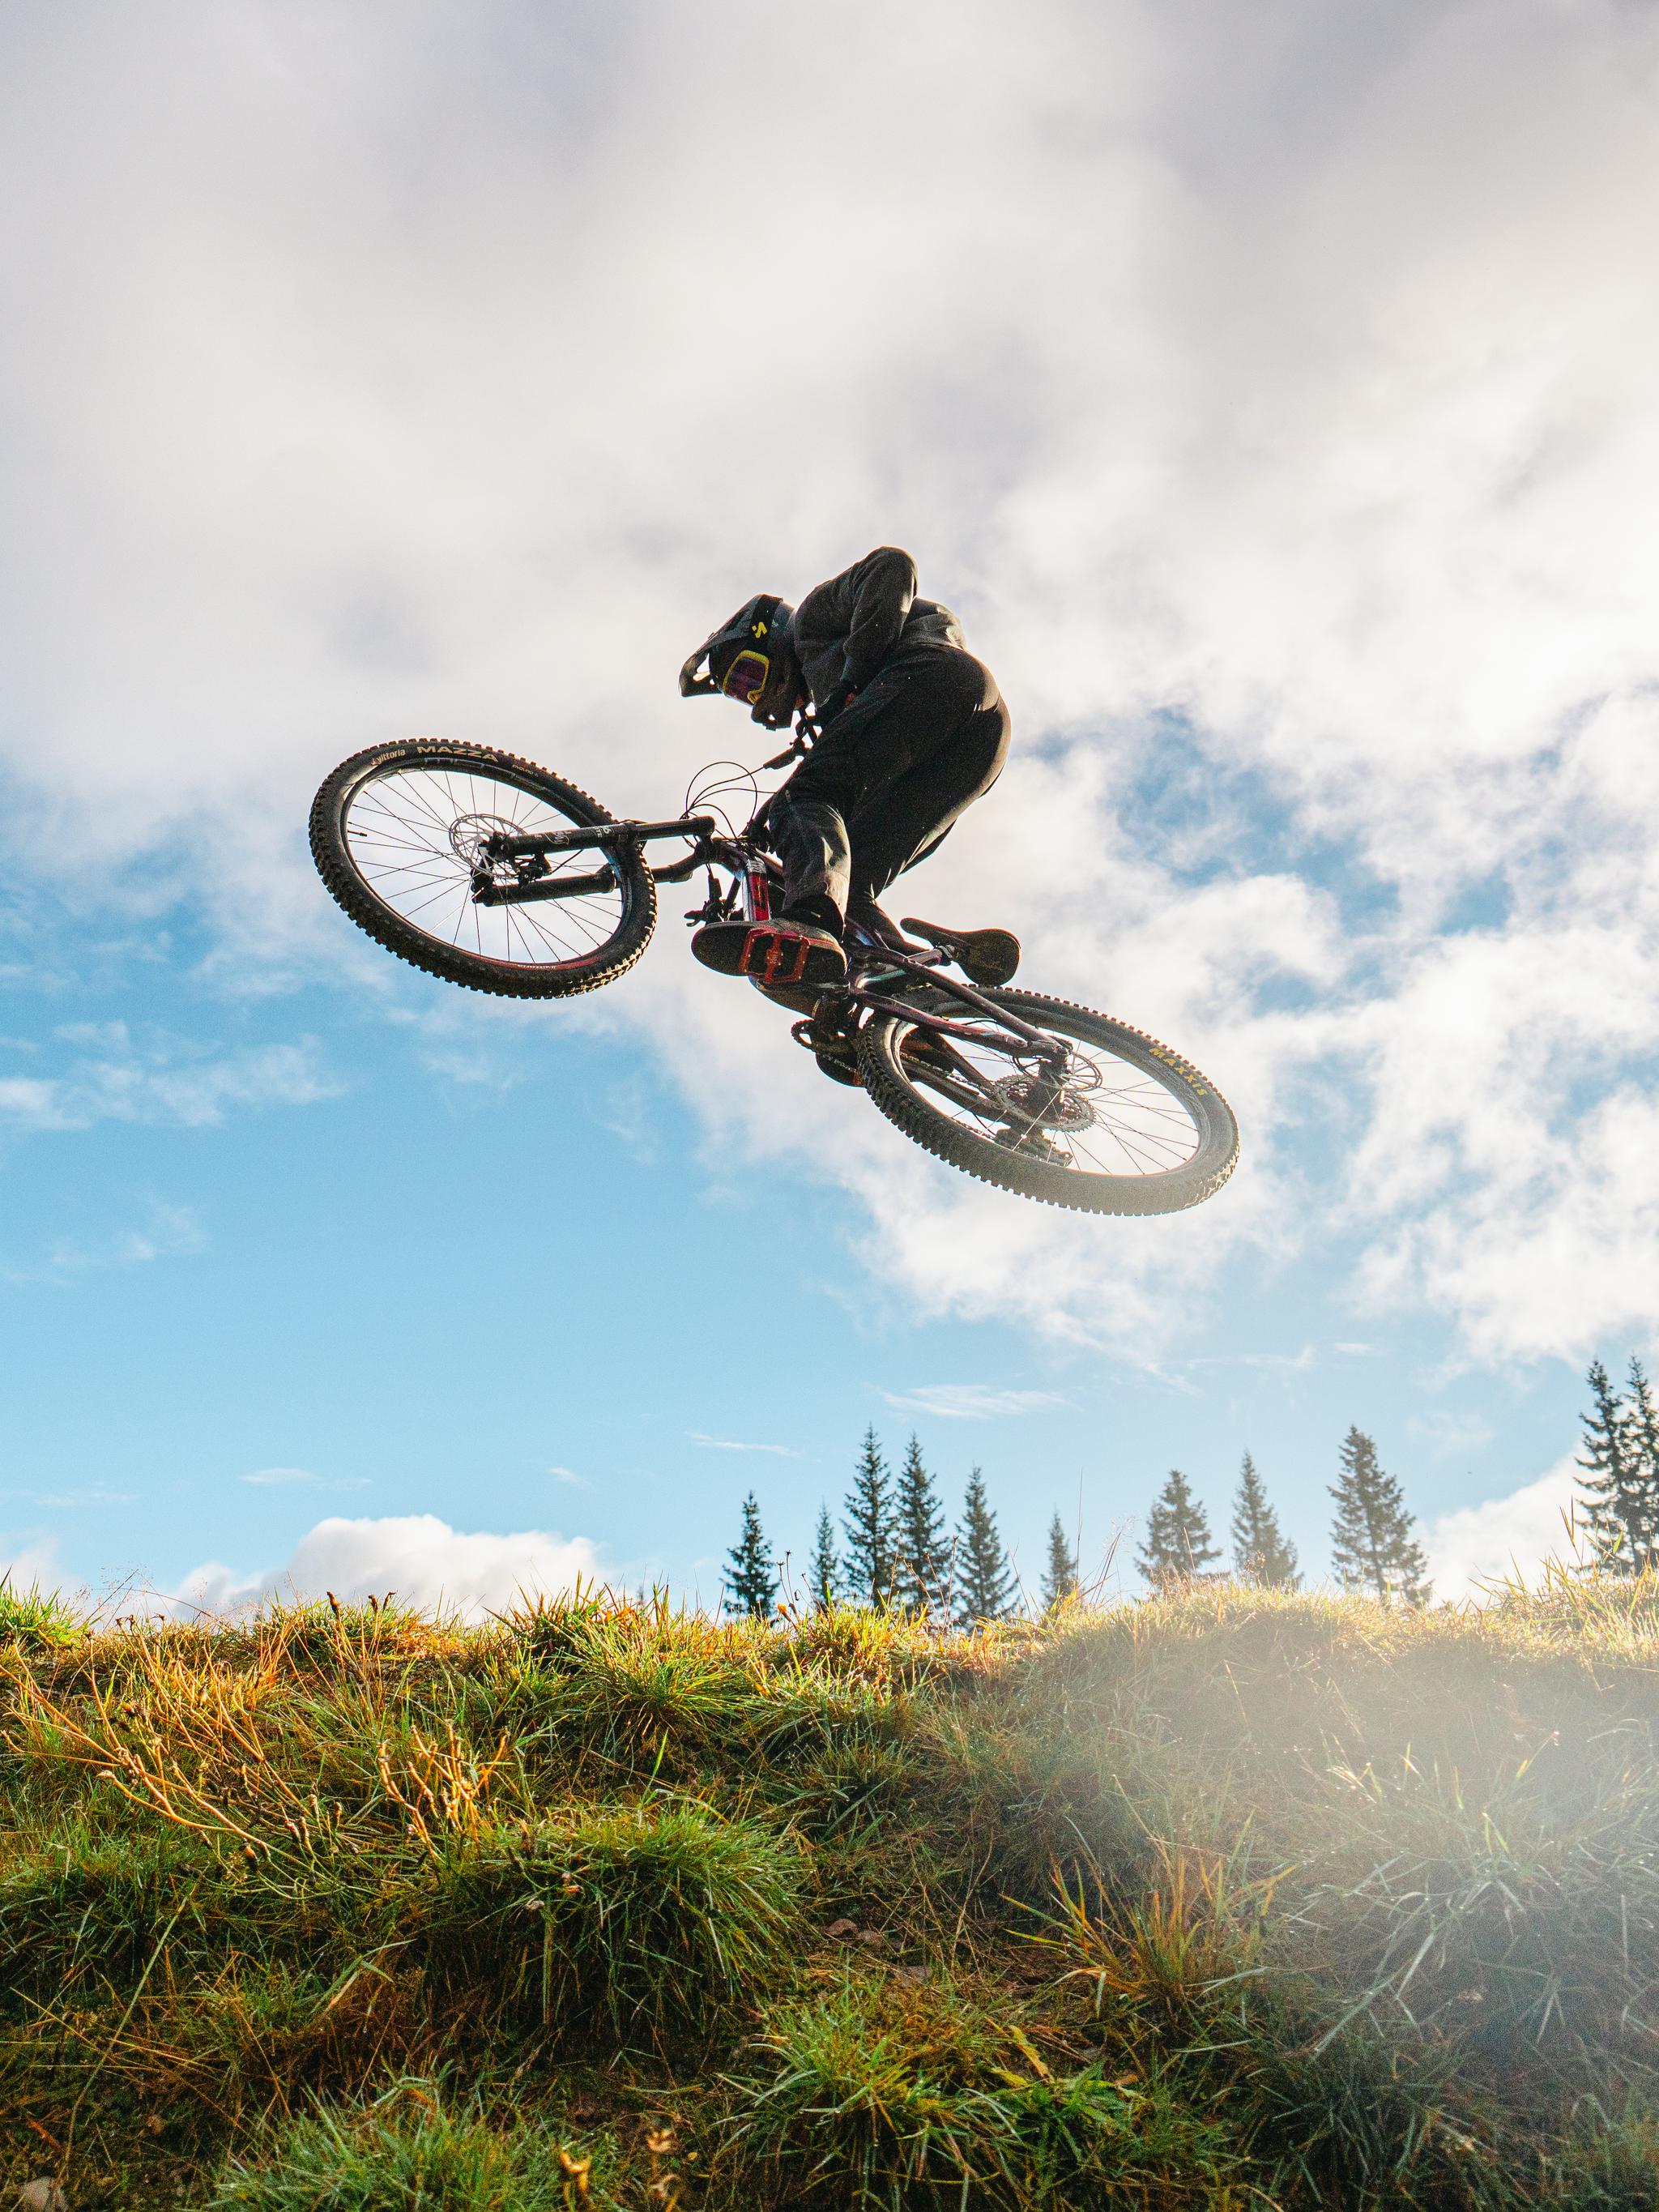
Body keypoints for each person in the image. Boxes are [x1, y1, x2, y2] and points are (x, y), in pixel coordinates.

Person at [677, 546, 1013, 992]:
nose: (756, 699)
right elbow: (836, 784)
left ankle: (811, 920)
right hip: (979, 741)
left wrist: (853, 678)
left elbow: (893, 565)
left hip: (931, 675)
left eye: (748, 675)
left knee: (807, 800)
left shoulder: (811, 623)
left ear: (769, 640)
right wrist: (768, 821)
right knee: (852, 885)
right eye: (741, 694)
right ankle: (916, 1010)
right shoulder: (842, 701)